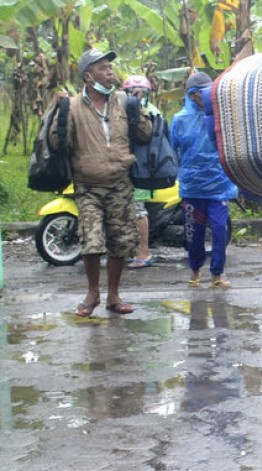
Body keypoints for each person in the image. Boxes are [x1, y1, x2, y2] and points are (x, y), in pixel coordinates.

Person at [54, 48, 151, 317]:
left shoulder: (124, 102)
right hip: (87, 186)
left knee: (121, 242)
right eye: (103, 68)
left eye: (111, 68)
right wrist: (57, 114)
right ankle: (92, 293)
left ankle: (114, 296)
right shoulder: (72, 106)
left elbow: (145, 135)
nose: (110, 73)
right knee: (92, 241)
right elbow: (57, 143)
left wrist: (138, 107)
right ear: (88, 76)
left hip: (120, 184)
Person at [171, 71, 238, 287]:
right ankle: (195, 271)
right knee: (194, 234)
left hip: (219, 185)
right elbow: (173, 150)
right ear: (192, 95)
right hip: (192, 187)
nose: (206, 98)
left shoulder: (222, 117)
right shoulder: (180, 120)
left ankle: (217, 274)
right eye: (202, 94)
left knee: (220, 230)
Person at [123, 74, 158, 268]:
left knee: (138, 210)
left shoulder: (151, 113)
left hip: (142, 168)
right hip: (124, 167)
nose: (137, 95)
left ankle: (144, 252)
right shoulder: (122, 110)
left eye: (142, 92)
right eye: (131, 92)